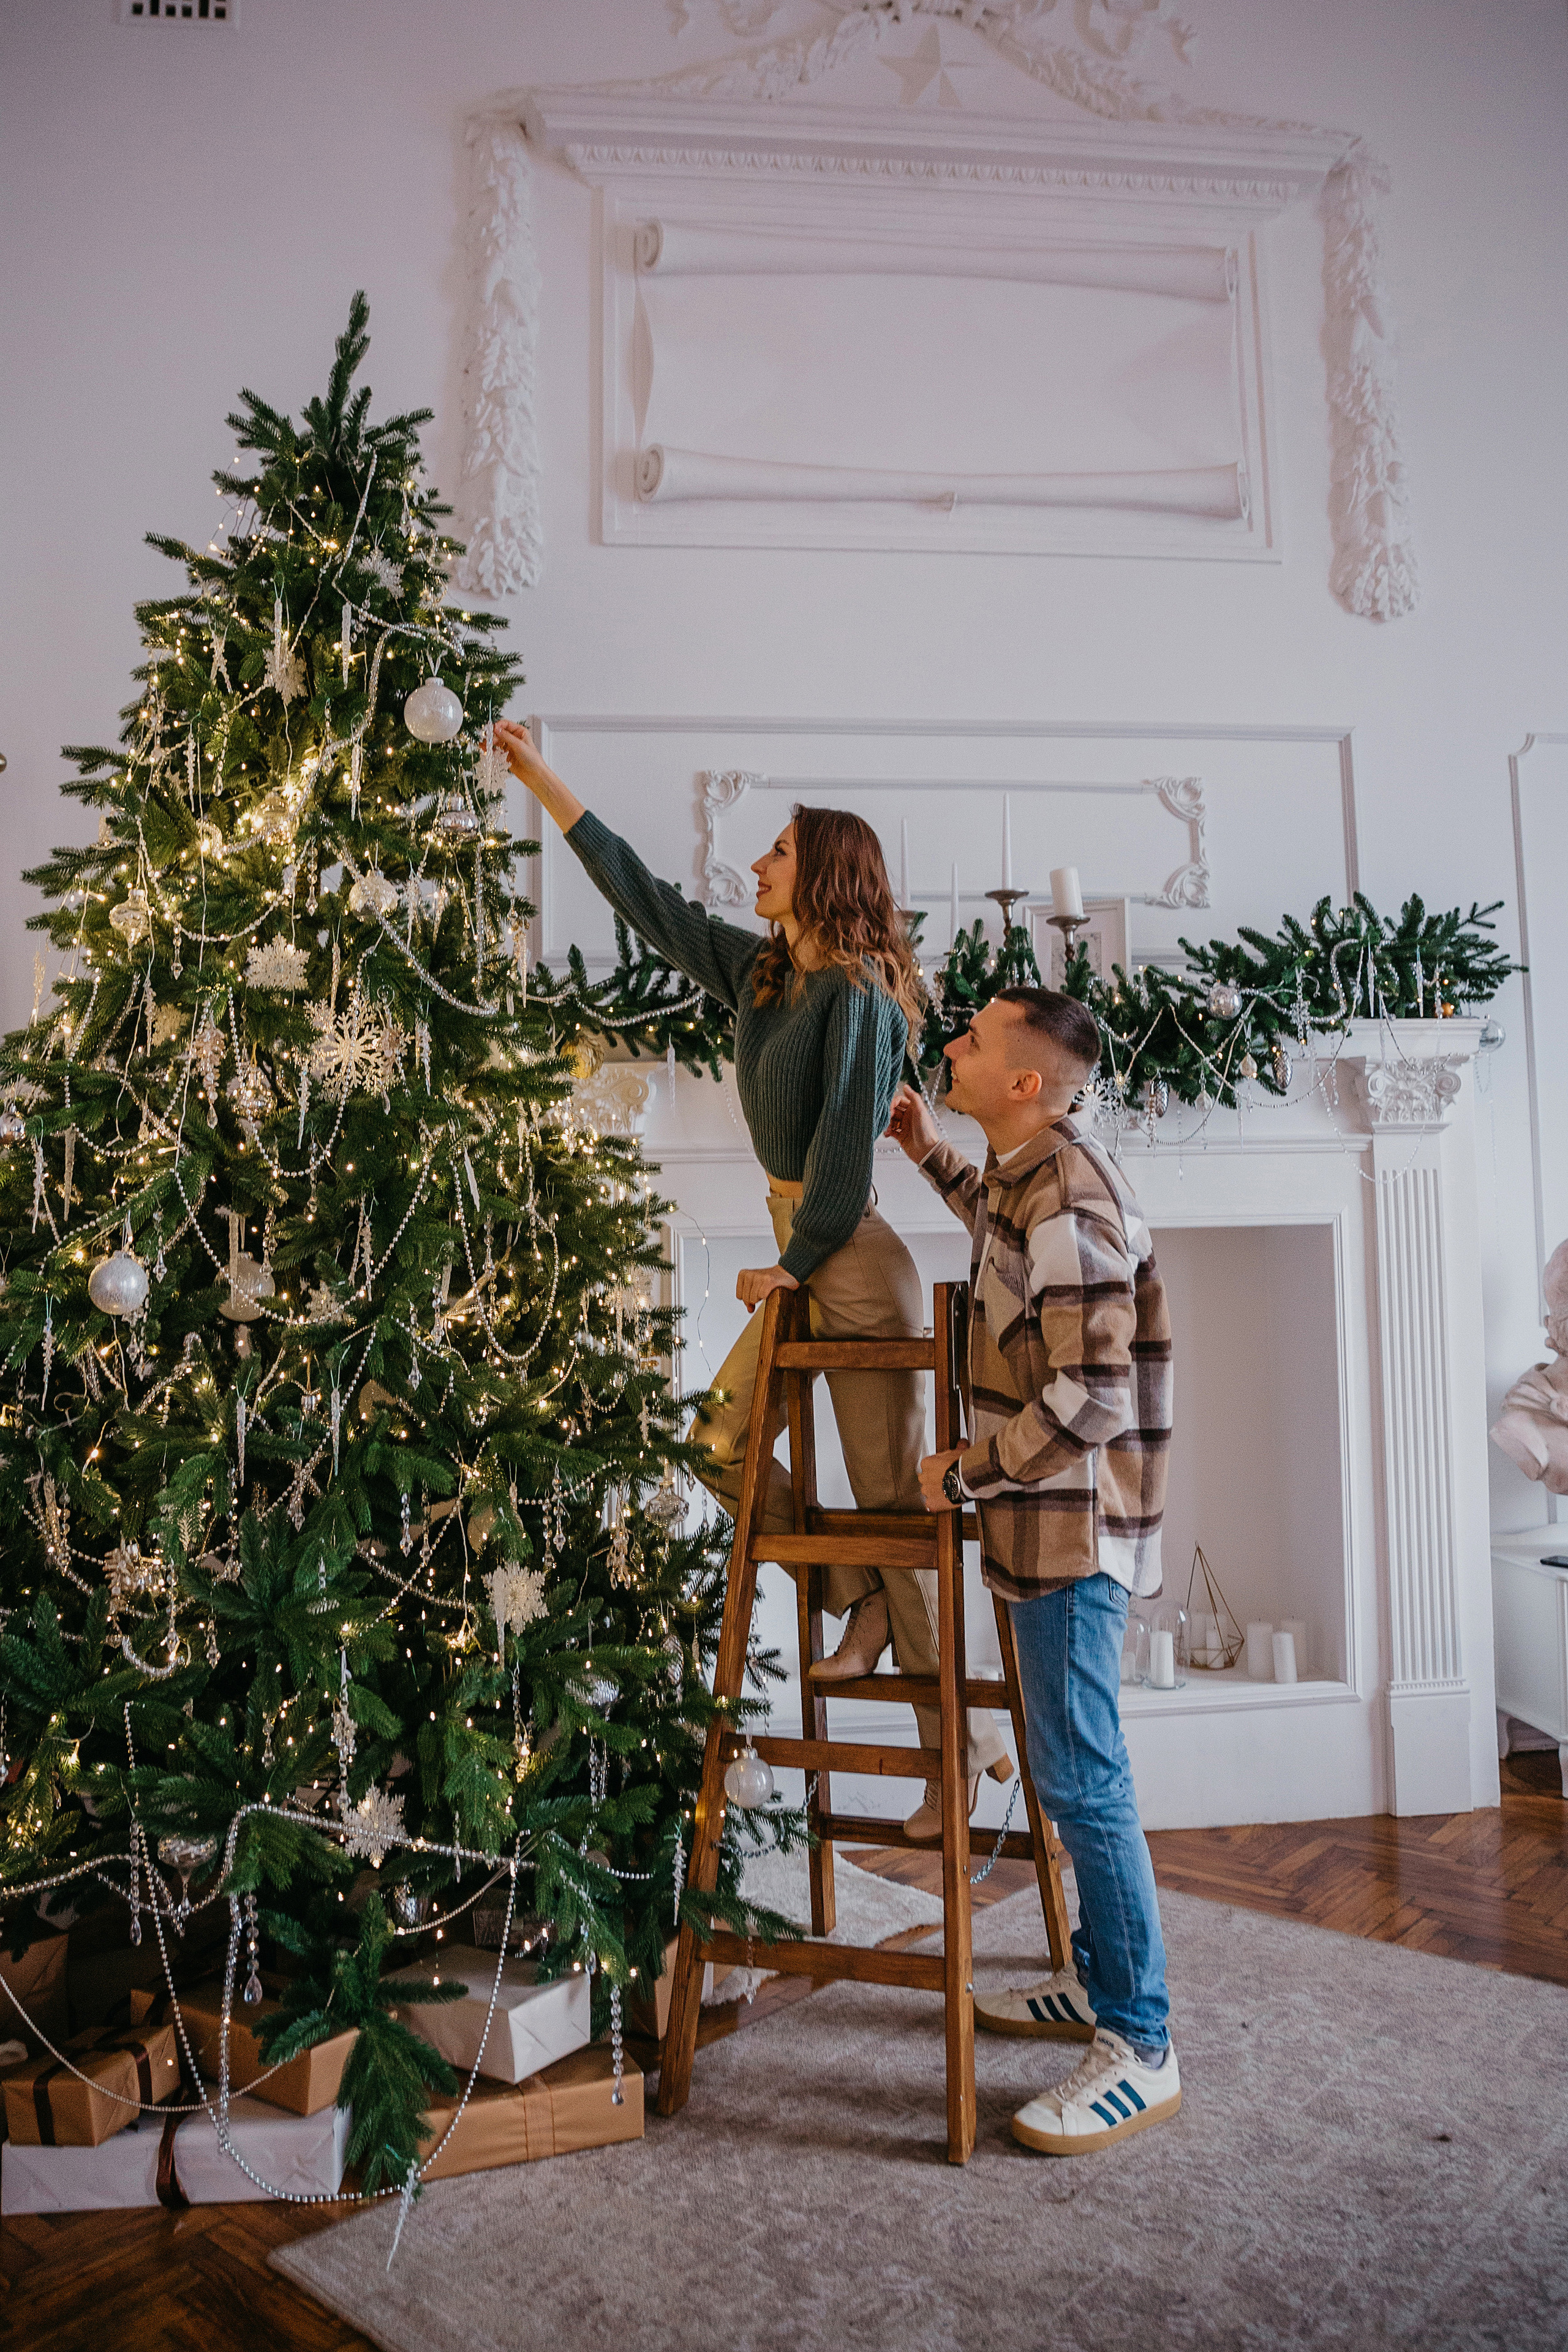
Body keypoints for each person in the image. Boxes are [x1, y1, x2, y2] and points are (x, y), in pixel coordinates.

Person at [492, 720, 1011, 1838]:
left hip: (850, 1264)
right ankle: (854, 1595)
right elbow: (650, 904)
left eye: (777, 851)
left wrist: (793, 1261)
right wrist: (543, 780)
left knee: (893, 1512)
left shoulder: (865, 992)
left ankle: (956, 1762)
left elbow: (843, 1148)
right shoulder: (765, 974)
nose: (757, 866)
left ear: (821, 875)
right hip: (804, 1257)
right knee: (712, 1445)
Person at [887, 985, 1180, 2156]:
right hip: (1043, 1523)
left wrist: (969, 1470)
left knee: (1084, 1780)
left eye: (973, 1039)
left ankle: (1142, 2041)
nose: (951, 1043)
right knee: (1069, 1770)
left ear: (1025, 1083)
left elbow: (1094, 1394)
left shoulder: (1072, 1197)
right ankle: (1098, 1983)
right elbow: (1001, 1224)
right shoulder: (1029, 1175)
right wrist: (928, 1154)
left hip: (1069, 1528)